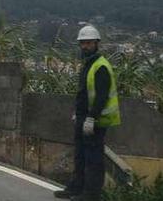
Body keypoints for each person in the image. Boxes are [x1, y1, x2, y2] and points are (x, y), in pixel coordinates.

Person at [54, 25, 121, 201]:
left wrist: (91, 118)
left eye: (88, 43)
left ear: (96, 43)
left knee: (93, 158)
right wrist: (78, 113)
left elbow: (101, 96)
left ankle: (91, 194)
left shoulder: (100, 66)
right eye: (82, 43)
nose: (85, 46)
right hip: (84, 118)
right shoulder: (88, 65)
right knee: (80, 155)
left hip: (97, 120)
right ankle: (76, 188)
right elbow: (83, 93)